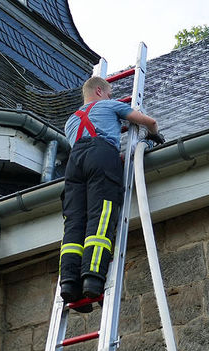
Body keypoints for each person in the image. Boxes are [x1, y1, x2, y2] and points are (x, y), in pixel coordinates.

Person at [59, 76, 163, 312]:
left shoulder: (70, 122)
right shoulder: (109, 105)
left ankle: (68, 283)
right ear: (99, 91)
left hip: (74, 165)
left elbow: (85, 149)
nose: (110, 96)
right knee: (101, 213)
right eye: (108, 92)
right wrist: (154, 136)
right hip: (102, 155)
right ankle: (92, 278)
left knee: (75, 221)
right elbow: (149, 121)